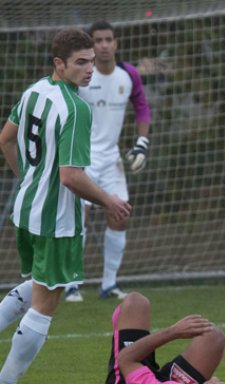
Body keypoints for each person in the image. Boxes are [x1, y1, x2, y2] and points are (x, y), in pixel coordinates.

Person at [0, 29, 132, 384]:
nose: (90, 69)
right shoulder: (76, 110)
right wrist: (110, 201)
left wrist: (28, 180)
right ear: (59, 64)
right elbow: (70, 176)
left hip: (26, 210)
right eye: (81, 62)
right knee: (48, 300)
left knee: (39, 284)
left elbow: (5, 139)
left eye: (92, 61)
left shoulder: (33, 92)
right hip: (56, 219)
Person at [65, 20, 152, 303]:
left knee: (121, 214)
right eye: (98, 40)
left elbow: (141, 106)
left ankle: (109, 284)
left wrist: (142, 142)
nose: (103, 45)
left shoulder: (128, 75)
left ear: (116, 43)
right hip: (82, 158)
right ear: (90, 46)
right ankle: (71, 283)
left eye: (108, 40)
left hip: (112, 159)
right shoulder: (82, 77)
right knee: (80, 219)